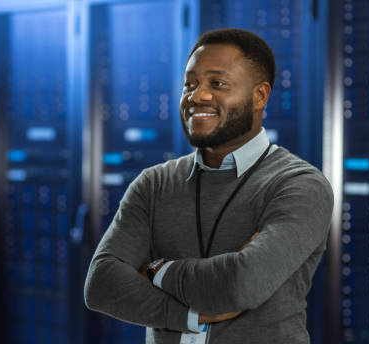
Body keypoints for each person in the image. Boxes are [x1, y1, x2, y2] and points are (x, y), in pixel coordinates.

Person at [84, 28, 334, 344]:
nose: (197, 95)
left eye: (217, 84)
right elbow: (101, 284)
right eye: (189, 84)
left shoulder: (298, 185)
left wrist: (155, 270)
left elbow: (241, 283)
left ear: (259, 96)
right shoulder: (154, 184)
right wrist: (188, 316)